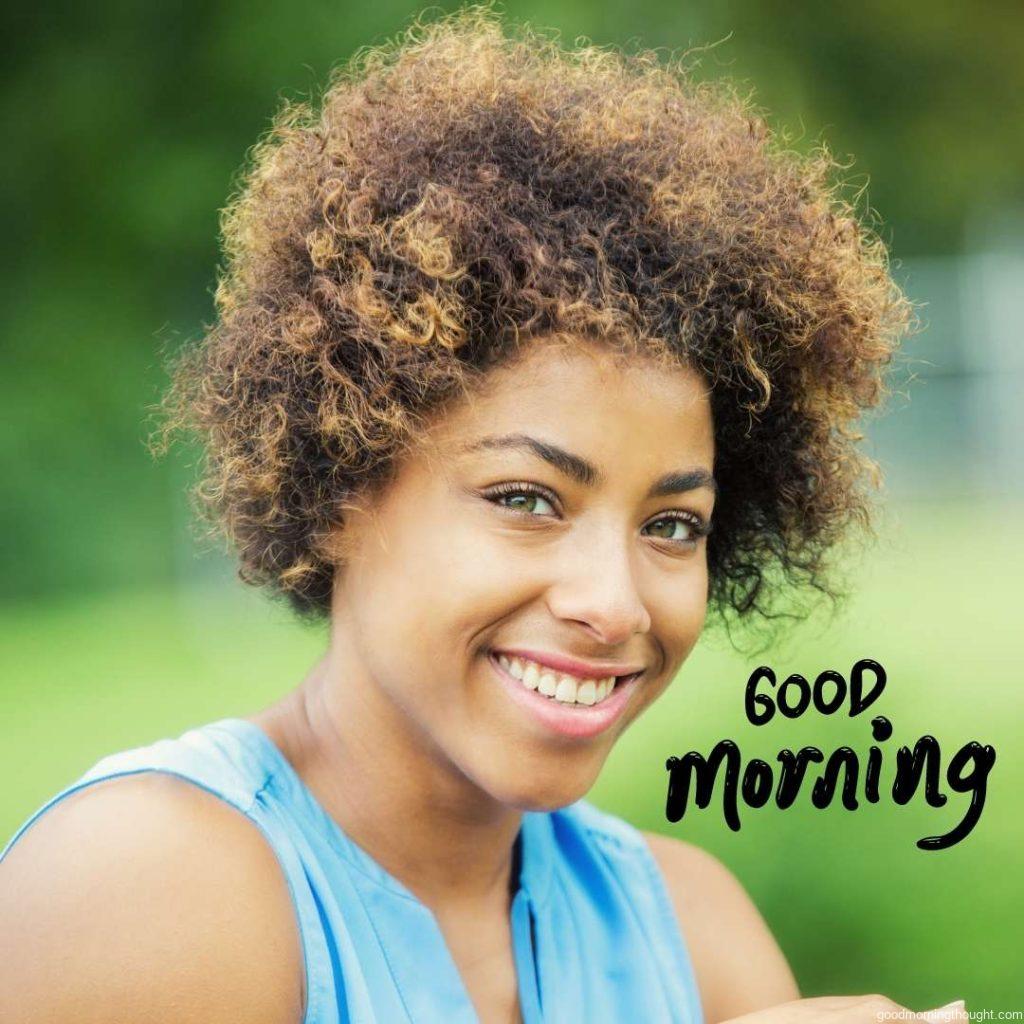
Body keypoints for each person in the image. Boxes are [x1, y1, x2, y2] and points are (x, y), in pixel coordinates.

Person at [1, 6, 965, 1023]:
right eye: (525, 500)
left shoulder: (694, 933)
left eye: (672, 524)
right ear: (341, 494)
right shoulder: (148, 884)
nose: (612, 602)